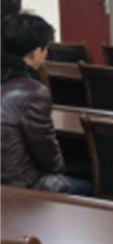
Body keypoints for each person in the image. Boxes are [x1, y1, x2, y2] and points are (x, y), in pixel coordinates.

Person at [0, 14, 93, 195]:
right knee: (91, 187)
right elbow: (49, 158)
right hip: (23, 188)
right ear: (36, 52)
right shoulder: (32, 92)